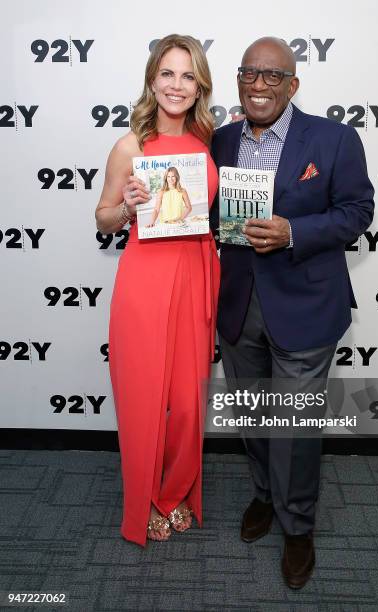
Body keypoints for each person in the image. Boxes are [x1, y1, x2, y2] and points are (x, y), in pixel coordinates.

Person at [211, 37, 374, 588]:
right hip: (237, 304)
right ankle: (263, 494)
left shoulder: (334, 138)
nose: (259, 85)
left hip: (305, 303)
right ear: (238, 80)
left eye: (273, 76)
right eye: (249, 74)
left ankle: (297, 524)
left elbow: (357, 211)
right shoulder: (220, 140)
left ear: (293, 84)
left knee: (297, 424)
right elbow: (203, 210)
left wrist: (293, 232)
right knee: (253, 414)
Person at [95, 34, 219, 546]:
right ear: (152, 79)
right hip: (146, 279)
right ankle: (144, 501)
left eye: (188, 76)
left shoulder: (208, 140)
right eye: (167, 73)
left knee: (189, 403)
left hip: (197, 274)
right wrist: (126, 205)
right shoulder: (130, 145)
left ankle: (174, 492)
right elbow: (103, 221)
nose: (176, 85)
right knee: (146, 398)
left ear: (199, 87)